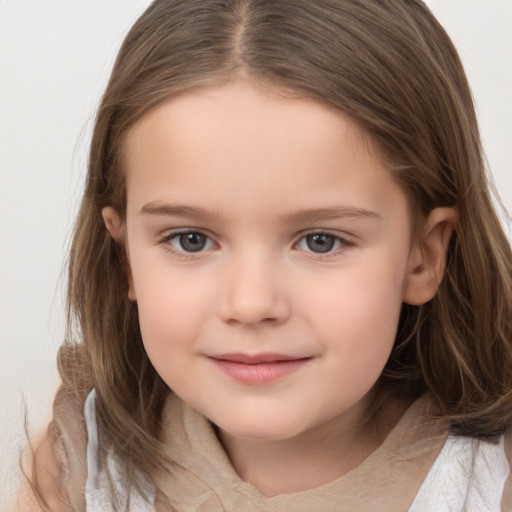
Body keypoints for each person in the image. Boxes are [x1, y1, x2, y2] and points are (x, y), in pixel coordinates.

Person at [18, 0, 512, 510]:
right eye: (191, 240)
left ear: (422, 257)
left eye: (321, 241)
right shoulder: (81, 467)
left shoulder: (491, 482)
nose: (252, 304)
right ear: (126, 259)